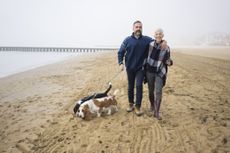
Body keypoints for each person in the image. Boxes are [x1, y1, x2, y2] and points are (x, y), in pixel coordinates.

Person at [117, 21, 166, 116]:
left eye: (140, 27)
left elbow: (157, 40)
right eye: (136, 27)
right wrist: (120, 63)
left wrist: (164, 41)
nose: (138, 28)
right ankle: (131, 104)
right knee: (130, 86)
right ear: (133, 28)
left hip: (141, 68)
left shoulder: (146, 40)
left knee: (139, 86)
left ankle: (137, 107)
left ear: (142, 28)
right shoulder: (127, 40)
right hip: (130, 68)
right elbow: (120, 52)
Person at [145, 28, 173, 120]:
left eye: (160, 34)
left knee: (158, 91)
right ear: (154, 35)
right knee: (150, 91)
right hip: (150, 71)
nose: (158, 35)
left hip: (160, 71)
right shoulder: (150, 44)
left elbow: (168, 59)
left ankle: (156, 111)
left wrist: (169, 62)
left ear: (162, 35)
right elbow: (146, 56)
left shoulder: (166, 47)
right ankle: (152, 105)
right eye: (156, 34)